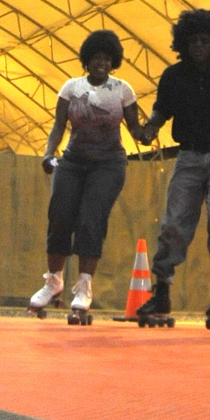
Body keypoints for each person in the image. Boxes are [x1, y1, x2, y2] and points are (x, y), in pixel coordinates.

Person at [134, 8, 210, 322]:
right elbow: (162, 109)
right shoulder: (173, 76)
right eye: (193, 41)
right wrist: (150, 128)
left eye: (204, 40)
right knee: (174, 221)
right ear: (183, 43)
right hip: (188, 154)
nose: (198, 46)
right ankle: (161, 292)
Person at [29, 30, 142, 318]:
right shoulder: (71, 87)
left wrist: (152, 129)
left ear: (113, 61)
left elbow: (136, 129)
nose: (101, 63)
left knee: (91, 219)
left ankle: (84, 287)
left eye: (107, 58)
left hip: (108, 164)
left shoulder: (122, 89)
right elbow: (58, 126)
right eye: (96, 58)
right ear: (87, 60)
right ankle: (53, 281)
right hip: (73, 162)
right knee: (60, 216)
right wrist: (48, 153)